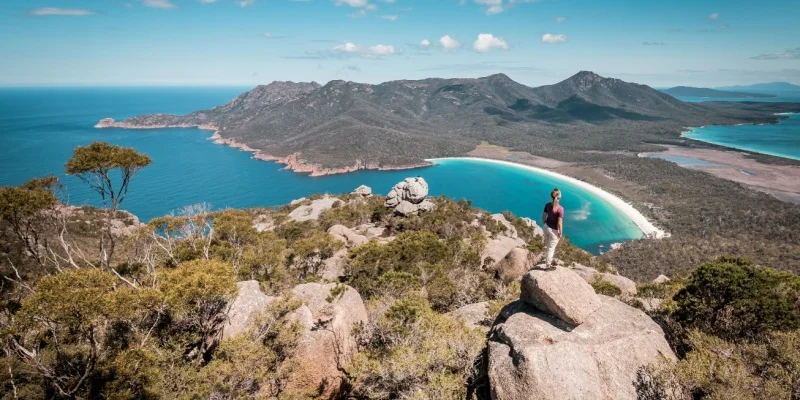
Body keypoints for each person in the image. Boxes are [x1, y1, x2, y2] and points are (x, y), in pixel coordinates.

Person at [542, 188, 564, 269]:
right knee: (551, 249)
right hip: (554, 231)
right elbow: (559, 223)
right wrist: (560, 233)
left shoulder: (547, 205)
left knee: (548, 246)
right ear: (559, 197)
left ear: (551, 196)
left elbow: (543, 218)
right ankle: (548, 265)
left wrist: (546, 225)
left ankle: (548, 260)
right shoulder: (560, 209)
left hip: (546, 227)